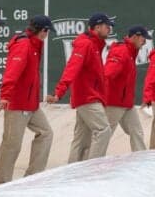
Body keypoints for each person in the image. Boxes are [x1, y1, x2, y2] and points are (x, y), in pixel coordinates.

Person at [0, 15, 54, 186]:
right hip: (17, 103)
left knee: (46, 133)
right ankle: (0, 185)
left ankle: (32, 178)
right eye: (47, 31)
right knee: (12, 145)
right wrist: (5, 95)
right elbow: (12, 71)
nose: (47, 35)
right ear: (42, 30)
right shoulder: (24, 45)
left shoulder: (34, 44)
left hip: (31, 104)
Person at [48, 12, 112, 163]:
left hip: (88, 96)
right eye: (107, 26)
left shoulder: (94, 44)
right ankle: (93, 170)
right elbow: (72, 67)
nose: (109, 29)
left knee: (82, 140)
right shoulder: (85, 44)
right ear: (97, 27)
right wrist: (59, 91)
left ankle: (72, 173)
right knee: (103, 131)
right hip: (88, 97)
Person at [103, 25, 149, 153]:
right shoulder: (121, 51)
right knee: (104, 135)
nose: (144, 42)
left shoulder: (130, 52)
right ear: (135, 37)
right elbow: (108, 74)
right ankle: (91, 162)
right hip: (113, 102)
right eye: (143, 39)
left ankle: (141, 160)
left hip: (126, 102)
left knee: (137, 131)